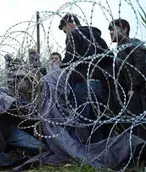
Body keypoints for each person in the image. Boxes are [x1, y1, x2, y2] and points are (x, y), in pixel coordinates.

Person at [58, 13, 113, 143]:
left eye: (65, 31)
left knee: (84, 121)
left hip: (83, 82)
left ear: (70, 25)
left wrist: (61, 67)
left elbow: (70, 58)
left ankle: (88, 153)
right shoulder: (97, 37)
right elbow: (109, 58)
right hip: (100, 84)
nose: (66, 35)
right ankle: (105, 151)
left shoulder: (74, 34)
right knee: (99, 120)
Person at [108, 18, 146, 139]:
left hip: (136, 92)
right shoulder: (120, 49)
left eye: (113, 29)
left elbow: (140, 64)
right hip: (126, 93)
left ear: (124, 29)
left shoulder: (132, 43)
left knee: (138, 126)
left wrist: (133, 87)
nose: (110, 32)